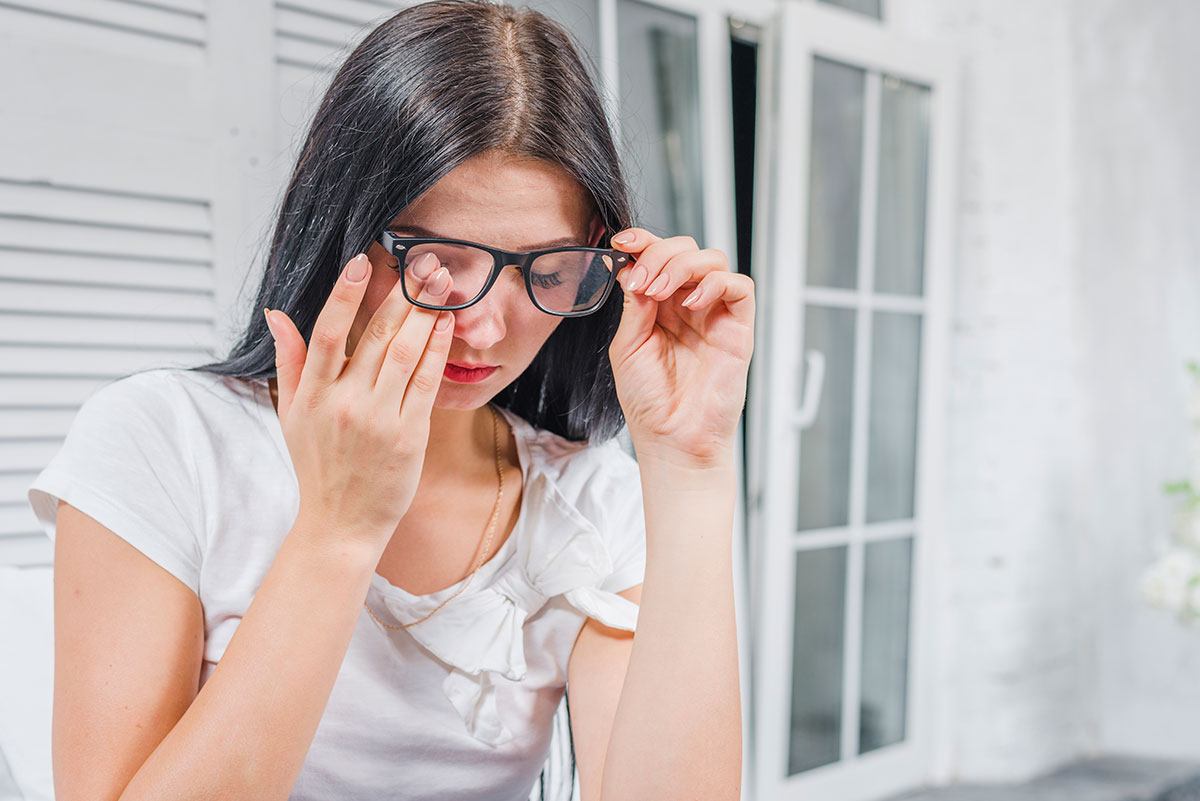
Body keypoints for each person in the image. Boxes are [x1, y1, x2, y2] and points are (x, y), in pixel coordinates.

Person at [26, 1, 753, 799]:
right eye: (438, 259)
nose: (482, 325)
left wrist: (690, 466)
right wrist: (339, 530)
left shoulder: (589, 499)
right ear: (341, 229)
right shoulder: (164, 442)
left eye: (546, 269)